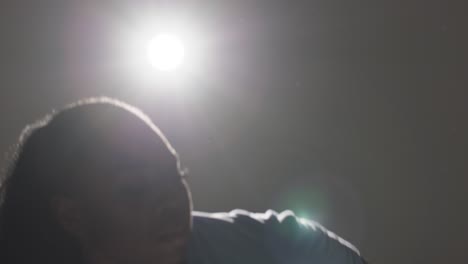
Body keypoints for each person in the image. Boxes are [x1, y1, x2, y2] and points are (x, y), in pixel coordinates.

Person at [0, 97, 367, 264]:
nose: (173, 202)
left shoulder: (246, 242)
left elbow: (302, 240)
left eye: (176, 176)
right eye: (135, 190)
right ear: (72, 216)